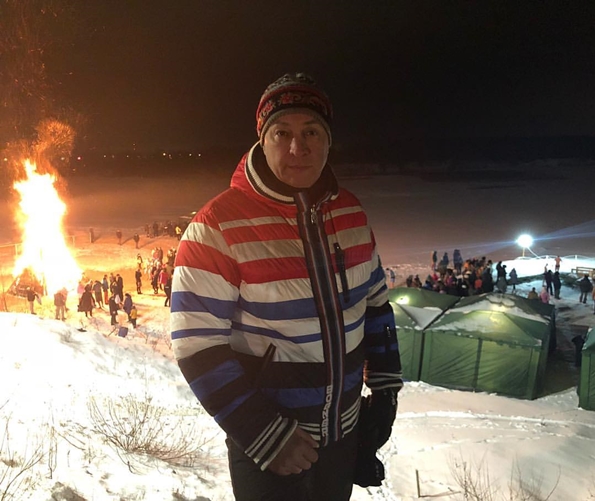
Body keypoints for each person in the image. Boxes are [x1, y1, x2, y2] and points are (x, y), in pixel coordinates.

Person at [170, 73, 403, 500]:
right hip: (270, 446)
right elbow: (196, 344)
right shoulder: (217, 226)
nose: (299, 148)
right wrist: (264, 434)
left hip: (344, 435)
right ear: (262, 140)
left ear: (329, 141)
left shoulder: (350, 213)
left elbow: (376, 307)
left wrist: (385, 390)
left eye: (312, 132)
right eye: (283, 133)